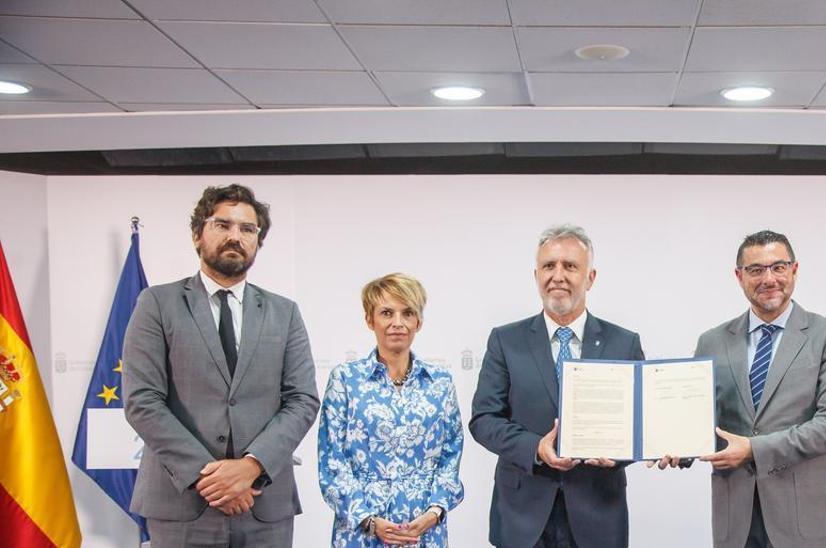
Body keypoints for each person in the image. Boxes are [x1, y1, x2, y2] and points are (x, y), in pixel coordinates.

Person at [123, 184, 319, 547]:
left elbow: (302, 400)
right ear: (198, 235)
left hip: (263, 503)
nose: (236, 236)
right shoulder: (156, 304)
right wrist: (212, 478)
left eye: (248, 229)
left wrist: (251, 467)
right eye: (223, 225)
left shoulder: (285, 312)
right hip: (182, 501)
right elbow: (142, 401)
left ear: (257, 242)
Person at [664, 230, 826, 548]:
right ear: (739, 277)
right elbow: (698, 422)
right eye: (755, 270)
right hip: (737, 524)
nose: (768, 278)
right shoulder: (712, 342)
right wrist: (673, 446)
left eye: (778, 267)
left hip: (809, 524)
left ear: (794, 270)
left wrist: (754, 449)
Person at [470, 224, 645, 548]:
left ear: (590, 277)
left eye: (570, 266)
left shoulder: (624, 343)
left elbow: (642, 424)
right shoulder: (506, 341)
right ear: (536, 275)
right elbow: (484, 420)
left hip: (599, 514)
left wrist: (619, 453)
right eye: (549, 266)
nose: (558, 275)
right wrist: (535, 447)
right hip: (522, 516)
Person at [318, 273, 464, 547]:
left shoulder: (440, 382)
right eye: (387, 313)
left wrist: (434, 513)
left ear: (418, 322)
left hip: (423, 532)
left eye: (407, 313)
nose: (398, 323)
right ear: (370, 320)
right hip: (360, 532)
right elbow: (332, 461)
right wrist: (368, 521)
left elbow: (451, 455)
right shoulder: (345, 380)